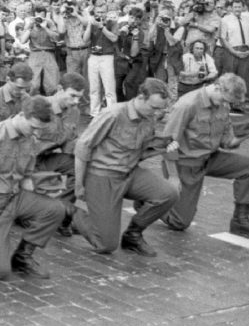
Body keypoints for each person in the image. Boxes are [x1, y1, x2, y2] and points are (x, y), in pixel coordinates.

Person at [0, 96, 68, 280]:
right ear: (20, 115)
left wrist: (42, 193)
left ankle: (23, 256)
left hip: (14, 197)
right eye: (33, 127)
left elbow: (25, 176)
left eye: (40, 130)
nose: (37, 134)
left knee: (55, 209)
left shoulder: (30, 138)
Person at [72, 78, 179, 257]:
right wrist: (78, 185)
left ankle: (133, 235)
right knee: (106, 245)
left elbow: (141, 152)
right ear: (140, 97)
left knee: (169, 193)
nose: (156, 113)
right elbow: (82, 148)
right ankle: (70, 213)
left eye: (160, 109)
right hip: (102, 176)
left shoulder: (148, 118)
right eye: (154, 107)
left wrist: (163, 148)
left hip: (129, 173)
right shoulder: (113, 114)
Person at [160, 73, 249, 240]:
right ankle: (148, 200)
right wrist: (173, 177)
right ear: (217, 87)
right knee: (179, 222)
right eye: (224, 100)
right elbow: (166, 143)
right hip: (185, 164)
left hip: (210, 158)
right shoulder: (187, 104)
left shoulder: (223, 103)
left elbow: (227, 142)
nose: (225, 105)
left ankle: (240, 221)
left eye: (228, 103)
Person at [34, 72, 87, 236]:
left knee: (78, 168)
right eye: (72, 96)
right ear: (59, 89)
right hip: (23, 162)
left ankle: (60, 215)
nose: (76, 101)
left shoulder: (74, 112)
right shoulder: (39, 106)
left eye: (79, 97)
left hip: (46, 159)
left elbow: (69, 145)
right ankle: (50, 212)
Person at [86, 5, 119, 117]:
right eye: (98, 12)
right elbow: (85, 39)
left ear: (106, 12)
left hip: (107, 56)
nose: (100, 14)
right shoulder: (92, 23)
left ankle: (111, 113)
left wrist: (102, 27)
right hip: (93, 56)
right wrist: (90, 25)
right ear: (94, 13)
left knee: (109, 87)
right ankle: (94, 112)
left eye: (102, 12)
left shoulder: (112, 23)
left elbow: (114, 38)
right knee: (94, 87)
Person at [219, 0, 249, 100]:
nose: (237, 9)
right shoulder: (225, 19)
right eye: (235, 7)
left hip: (247, 50)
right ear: (231, 8)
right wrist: (234, 52)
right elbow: (223, 38)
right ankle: (228, 100)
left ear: (243, 7)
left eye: (239, 7)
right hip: (232, 50)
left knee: (245, 75)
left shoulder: (248, 19)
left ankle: (243, 101)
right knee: (230, 76)